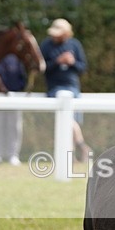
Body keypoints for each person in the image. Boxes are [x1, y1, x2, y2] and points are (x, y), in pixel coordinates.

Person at [40, 18, 91, 162]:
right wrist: (57, 62)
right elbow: (42, 68)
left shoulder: (74, 45)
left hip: (72, 87)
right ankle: (81, 147)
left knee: (69, 122)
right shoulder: (46, 45)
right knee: (68, 120)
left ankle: (72, 156)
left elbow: (82, 67)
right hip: (54, 88)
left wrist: (72, 62)